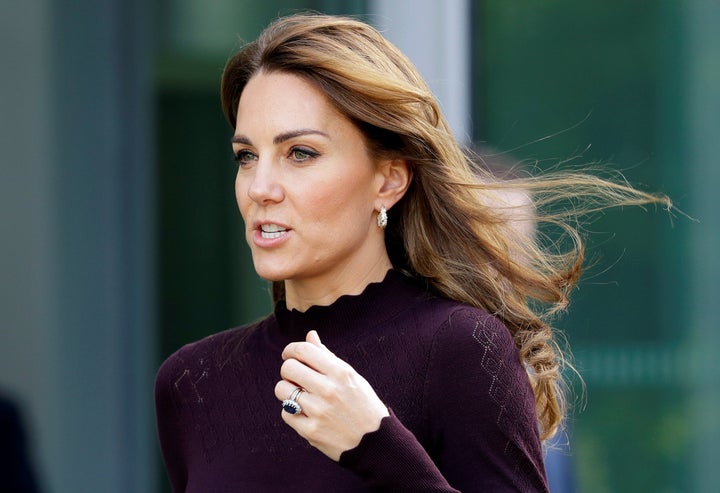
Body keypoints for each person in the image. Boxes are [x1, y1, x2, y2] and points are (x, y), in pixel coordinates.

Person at [154, 13, 670, 492]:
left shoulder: (462, 350)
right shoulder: (192, 382)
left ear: (389, 180)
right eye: (247, 156)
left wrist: (376, 446)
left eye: (300, 153)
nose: (260, 187)